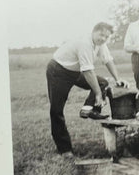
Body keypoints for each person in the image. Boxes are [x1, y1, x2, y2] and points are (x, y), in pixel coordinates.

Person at [46, 22, 128, 157]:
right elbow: (88, 71)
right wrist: (97, 95)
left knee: (103, 82)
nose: (103, 38)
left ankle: (89, 110)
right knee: (56, 110)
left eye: (106, 37)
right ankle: (64, 149)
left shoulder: (101, 44)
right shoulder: (85, 43)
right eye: (101, 35)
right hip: (58, 71)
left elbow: (108, 60)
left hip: (75, 71)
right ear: (94, 31)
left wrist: (117, 78)